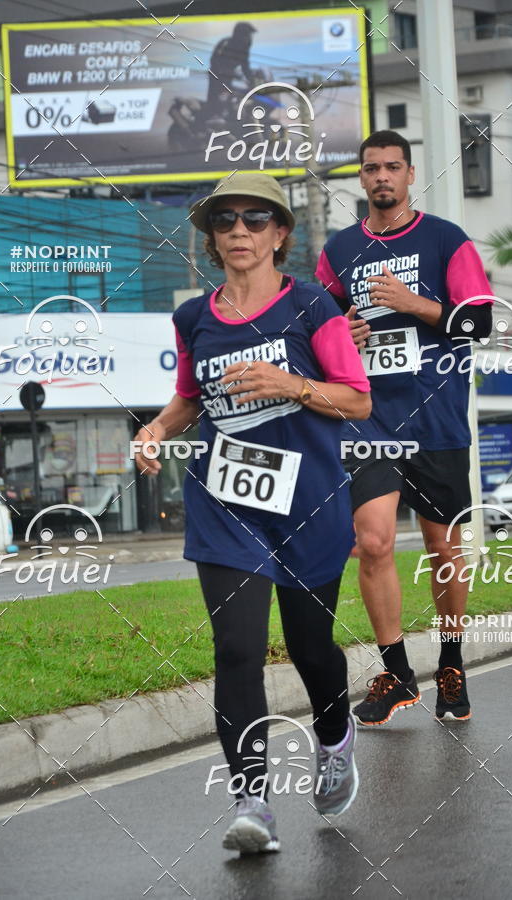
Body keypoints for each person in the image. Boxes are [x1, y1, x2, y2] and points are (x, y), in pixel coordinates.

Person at [133, 173, 371, 854]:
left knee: (309, 647)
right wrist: (157, 429)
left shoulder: (312, 306)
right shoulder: (194, 318)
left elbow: (356, 399)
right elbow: (190, 398)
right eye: (225, 219)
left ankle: (334, 737)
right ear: (211, 237)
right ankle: (253, 805)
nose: (239, 230)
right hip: (225, 503)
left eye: (255, 218)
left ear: (280, 233)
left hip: (307, 501)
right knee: (236, 649)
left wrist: (291, 384)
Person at [315, 130, 494, 726]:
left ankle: (451, 664)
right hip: (368, 420)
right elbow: (318, 332)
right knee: (372, 542)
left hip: (435, 417)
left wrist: (413, 302)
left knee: (444, 547)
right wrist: (340, 333)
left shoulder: (446, 240)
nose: (383, 177)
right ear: (361, 177)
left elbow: (480, 323)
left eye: (393, 167)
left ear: (410, 174)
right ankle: (395, 672)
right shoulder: (338, 250)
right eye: (372, 168)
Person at [206, 22, 257, 110]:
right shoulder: (225, 43)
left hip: (229, 77)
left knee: (232, 99)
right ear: (240, 34)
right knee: (215, 102)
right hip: (216, 77)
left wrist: (254, 81)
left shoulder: (244, 49)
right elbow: (214, 61)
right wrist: (226, 72)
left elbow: (245, 68)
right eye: (248, 35)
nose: (249, 38)